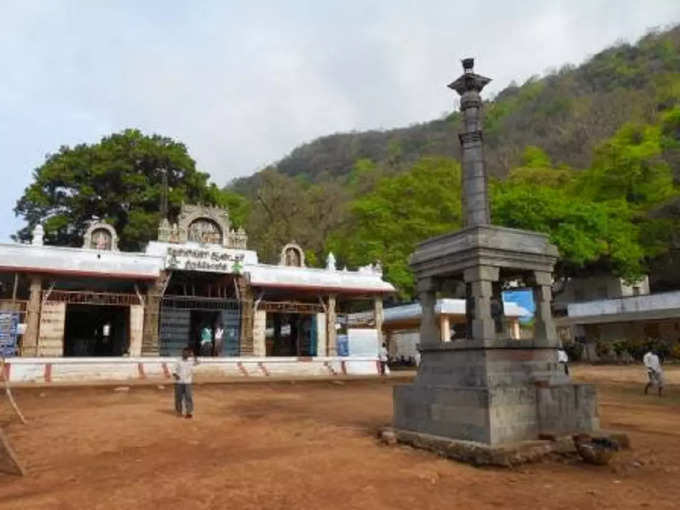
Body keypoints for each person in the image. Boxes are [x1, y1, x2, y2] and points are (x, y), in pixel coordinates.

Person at [173, 347, 198, 418]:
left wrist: (193, 355)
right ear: (182, 353)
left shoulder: (191, 361)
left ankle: (189, 412)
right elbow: (174, 371)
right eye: (184, 352)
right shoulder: (178, 361)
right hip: (179, 382)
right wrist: (176, 375)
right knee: (178, 398)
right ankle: (179, 411)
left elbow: (198, 362)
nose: (185, 354)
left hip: (188, 382)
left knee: (188, 397)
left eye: (187, 353)